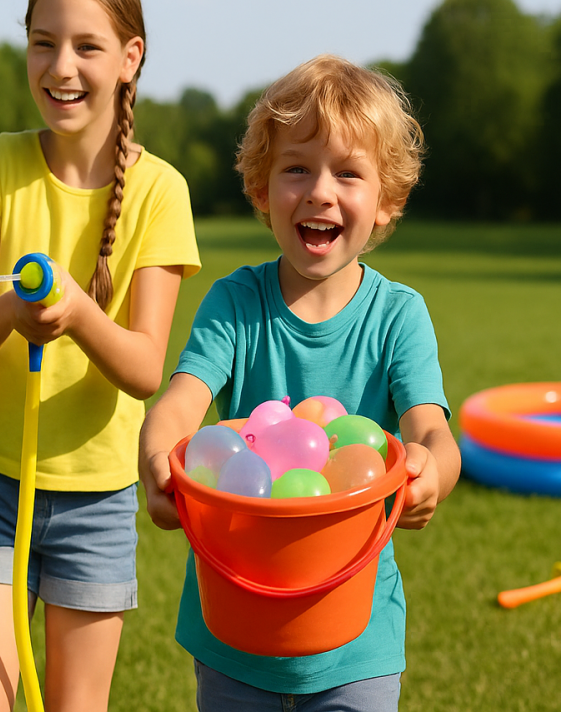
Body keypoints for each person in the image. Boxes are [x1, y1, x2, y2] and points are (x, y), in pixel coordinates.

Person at [139, 54, 460, 711]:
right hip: (235, 629)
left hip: (357, 639)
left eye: (348, 173)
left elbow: (431, 429)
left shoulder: (398, 315)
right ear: (261, 190)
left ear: (385, 201)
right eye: (296, 169)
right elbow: (181, 402)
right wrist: (156, 455)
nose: (319, 191)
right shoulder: (235, 303)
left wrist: (434, 469)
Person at [0, 0, 200, 712]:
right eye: (43, 42)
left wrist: (81, 314)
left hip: (96, 501)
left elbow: (147, 368)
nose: (61, 66)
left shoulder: (161, 192)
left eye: (87, 46)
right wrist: (11, 313)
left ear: (130, 59)